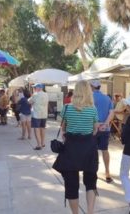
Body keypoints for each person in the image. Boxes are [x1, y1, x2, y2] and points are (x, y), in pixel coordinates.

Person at [52, 80, 99, 214]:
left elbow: (63, 129)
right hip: (89, 148)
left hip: (71, 149)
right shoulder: (93, 109)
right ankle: (90, 211)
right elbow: (95, 130)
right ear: (88, 92)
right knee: (91, 181)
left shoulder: (67, 108)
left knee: (71, 184)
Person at [90, 80, 114, 183]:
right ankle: (107, 172)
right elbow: (111, 113)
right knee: (105, 150)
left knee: (93, 151)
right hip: (105, 128)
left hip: (93, 128)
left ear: (91, 86)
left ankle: (93, 172)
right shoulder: (107, 98)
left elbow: (88, 113)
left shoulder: (89, 98)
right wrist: (105, 123)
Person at [28, 83, 48, 150]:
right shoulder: (46, 94)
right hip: (44, 114)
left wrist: (32, 95)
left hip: (36, 114)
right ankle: (42, 143)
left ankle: (39, 145)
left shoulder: (35, 94)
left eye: (35, 87)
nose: (34, 89)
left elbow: (29, 101)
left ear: (38, 88)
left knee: (36, 129)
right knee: (42, 128)